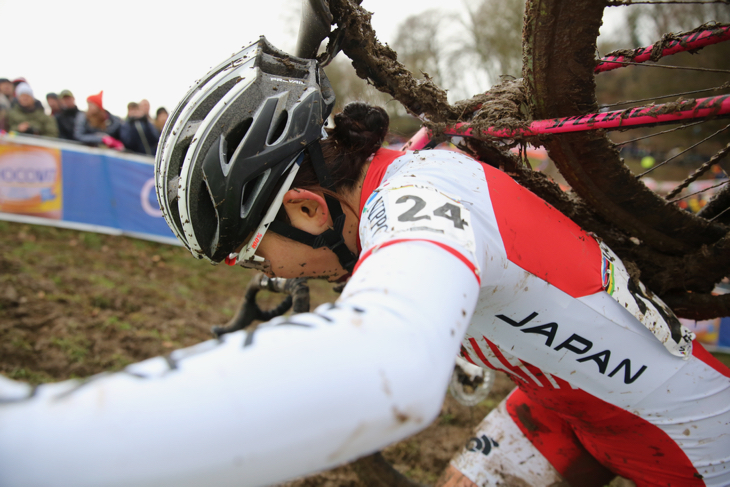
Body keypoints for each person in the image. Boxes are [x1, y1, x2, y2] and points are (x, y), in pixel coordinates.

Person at [1, 37, 729, 487]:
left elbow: (387, 374)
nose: (274, 275)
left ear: (309, 209)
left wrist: (34, 440)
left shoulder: (415, 203)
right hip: (567, 404)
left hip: (695, 439)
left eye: (256, 254)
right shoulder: (404, 179)